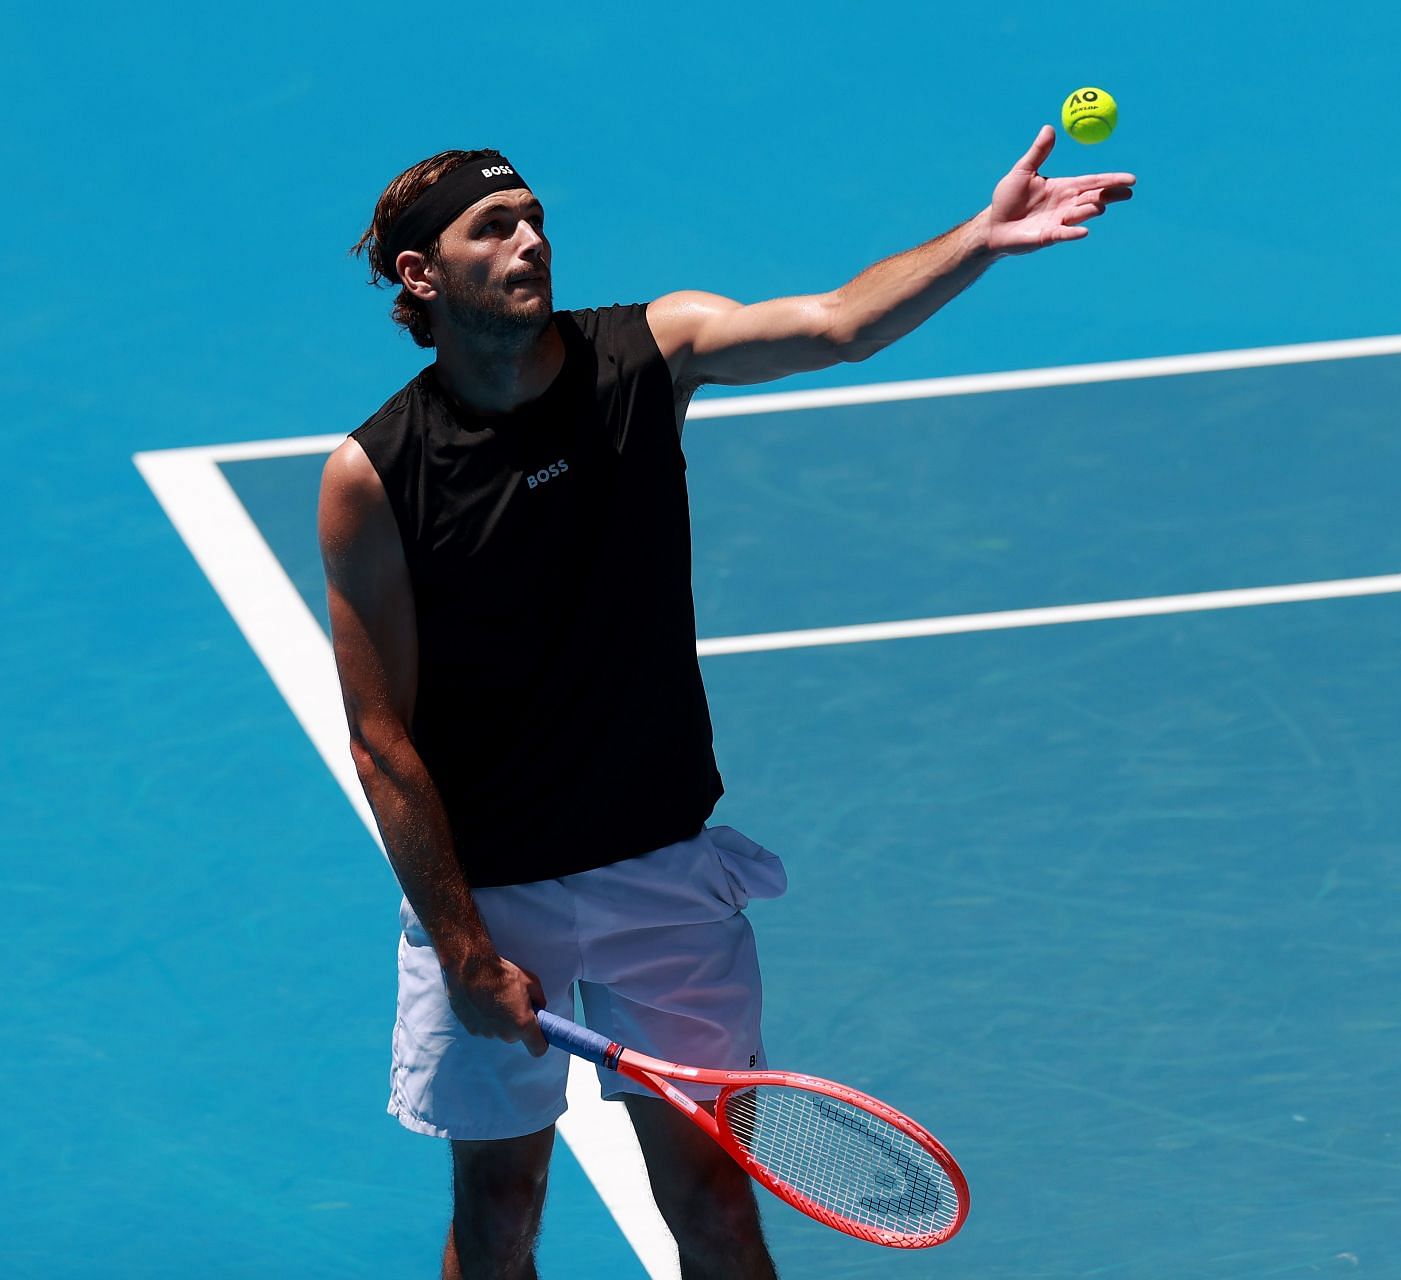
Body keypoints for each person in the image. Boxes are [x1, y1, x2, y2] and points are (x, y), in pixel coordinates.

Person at [320, 129, 1134, 1279]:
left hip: (662, 870)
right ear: (420, 274)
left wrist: (982, 240)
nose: (530, 239)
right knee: (500, 1202)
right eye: (491, 228)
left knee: (711, 1197)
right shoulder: (373, 475)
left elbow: (840, 322)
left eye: (534, 216)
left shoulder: (650, 351)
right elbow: (381, 736)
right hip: (491, 889)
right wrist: (462, 947)